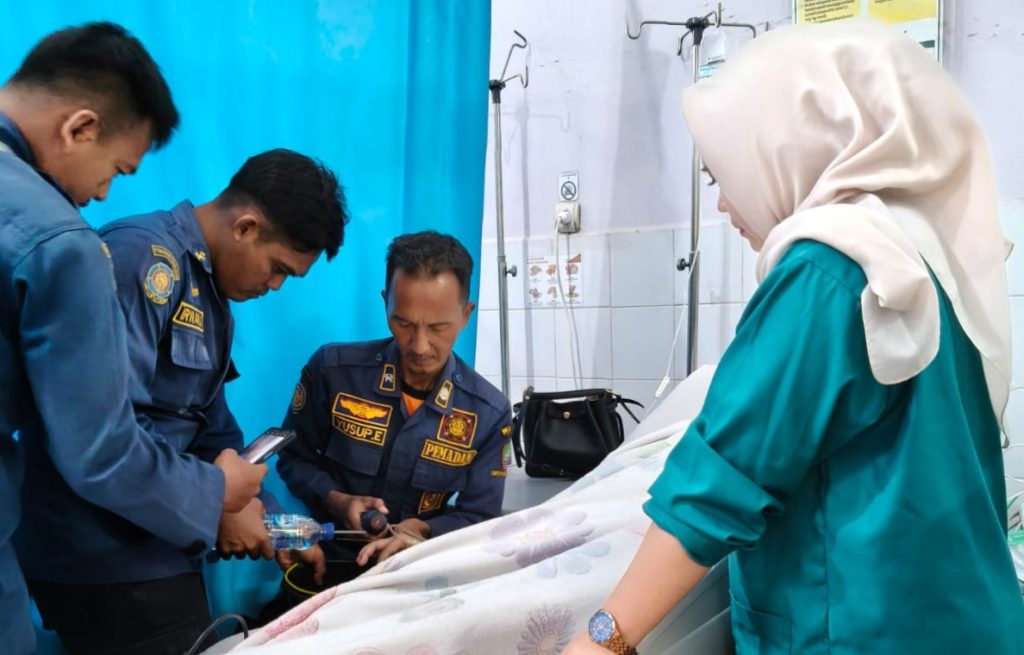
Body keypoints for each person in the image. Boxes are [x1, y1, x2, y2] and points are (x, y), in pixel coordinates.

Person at [566, 18, 1024, 655]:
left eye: (722, 175)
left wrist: (601, 640)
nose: (724, 204)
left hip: (866, 633)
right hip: (971, 621)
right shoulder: (928, 258)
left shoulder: (828, 270)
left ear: (786, 145)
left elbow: (717, 483)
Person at [15, 148, 348, 654]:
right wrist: (216, 507)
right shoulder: (142, 261)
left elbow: (211, 429)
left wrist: (273, 522)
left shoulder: (210, 293)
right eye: (278, 268)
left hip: (155, 540)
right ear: (246, 227)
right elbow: (107, 431)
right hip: (103, 551)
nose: (275, 286)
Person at [0, 22, 265, 655]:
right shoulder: (65, 242)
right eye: (115, 171)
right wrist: (214, 495)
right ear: (80, 128)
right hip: (105, 546)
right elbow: (100, 448)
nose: (101, 194)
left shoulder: (211, 297)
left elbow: (206, 414)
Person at [273, 231, 512, 589]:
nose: (420, 346)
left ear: (466, 315)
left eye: (438, 327)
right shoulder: (334, 372)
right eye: (404, 323)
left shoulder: (488, 413)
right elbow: (293, 458)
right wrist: (337, 501)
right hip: (328, 569)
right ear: (386, 302)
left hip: (421, 580)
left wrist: (423, 530)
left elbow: (480, 515)